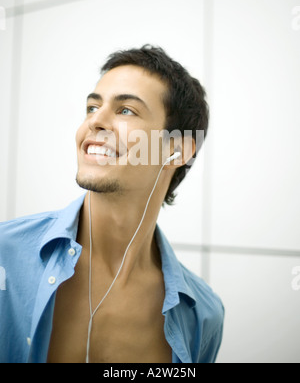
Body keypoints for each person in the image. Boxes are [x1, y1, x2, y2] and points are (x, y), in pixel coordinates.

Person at [0, 45, 224, 363]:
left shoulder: (203, 315)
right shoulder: (4, 256)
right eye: (93, 107)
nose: (95, 122)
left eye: (126, 111)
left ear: (177, 150)